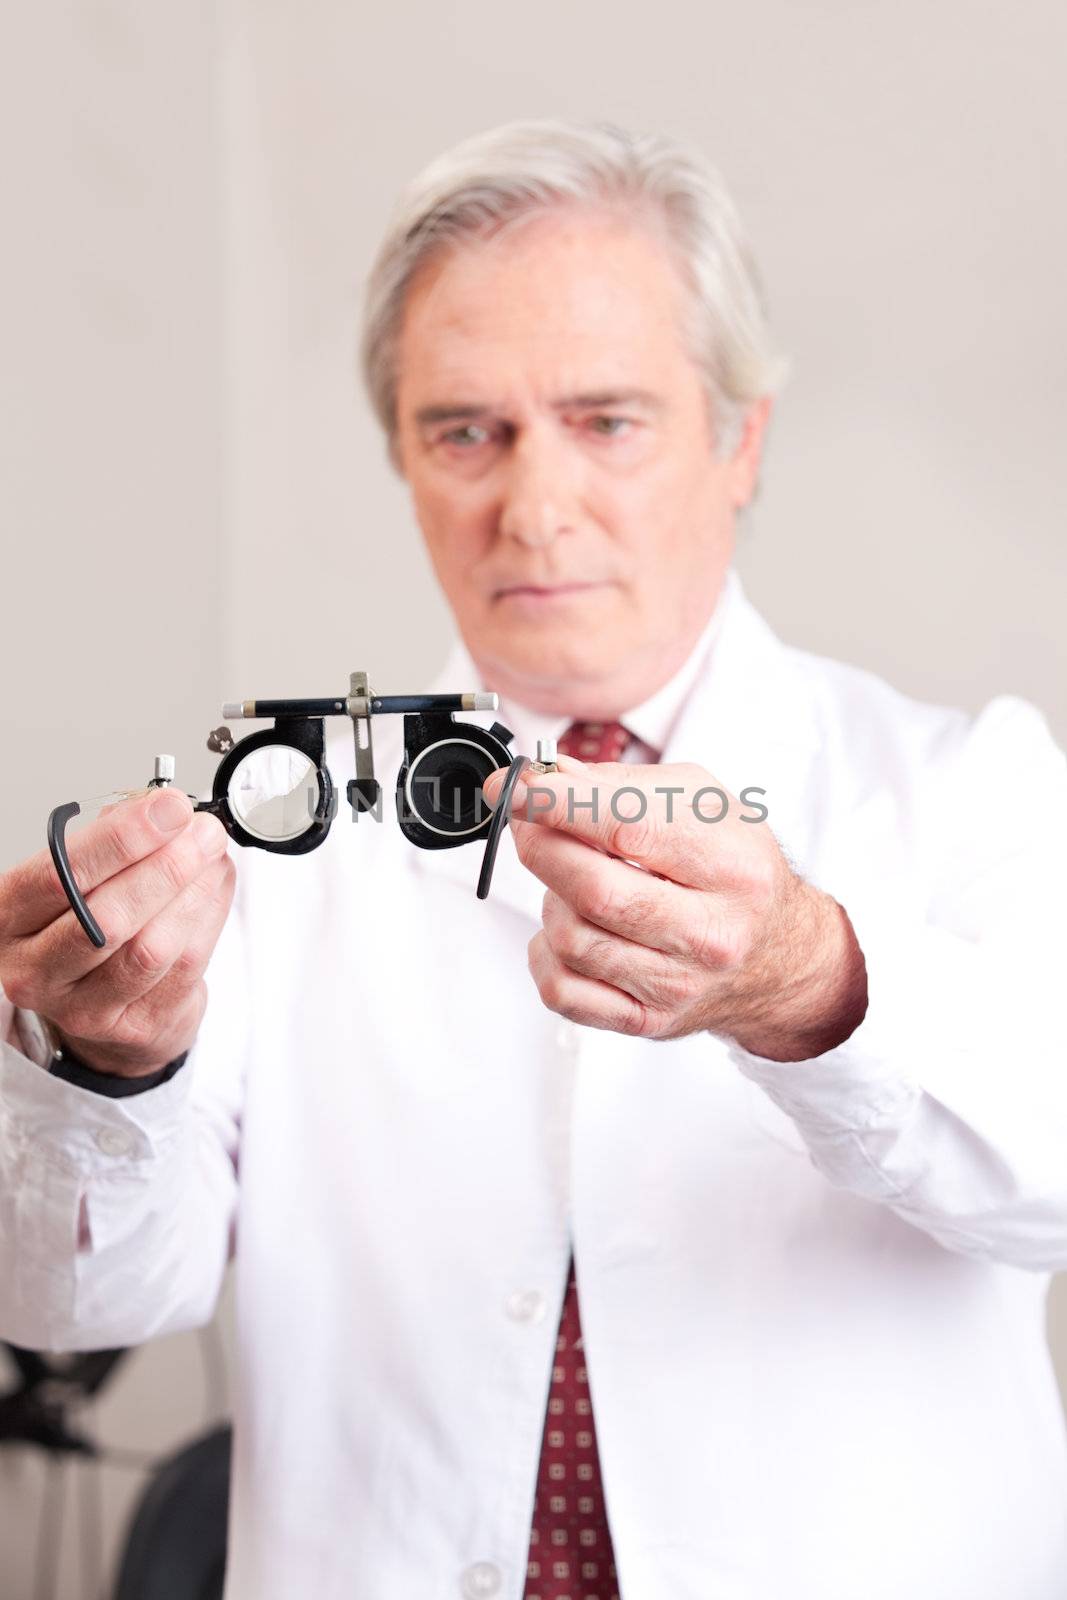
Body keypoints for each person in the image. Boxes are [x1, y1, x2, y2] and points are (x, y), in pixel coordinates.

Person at [2, 120, 1066, 1600]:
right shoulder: (276, 849)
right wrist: (102, 1064)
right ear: (403, 455)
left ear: (741, 436)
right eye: (466, 432)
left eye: (608, 420)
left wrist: (813, 982)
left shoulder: (970, 787)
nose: (536, 506)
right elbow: (75, 1297)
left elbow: (1051, 1177)